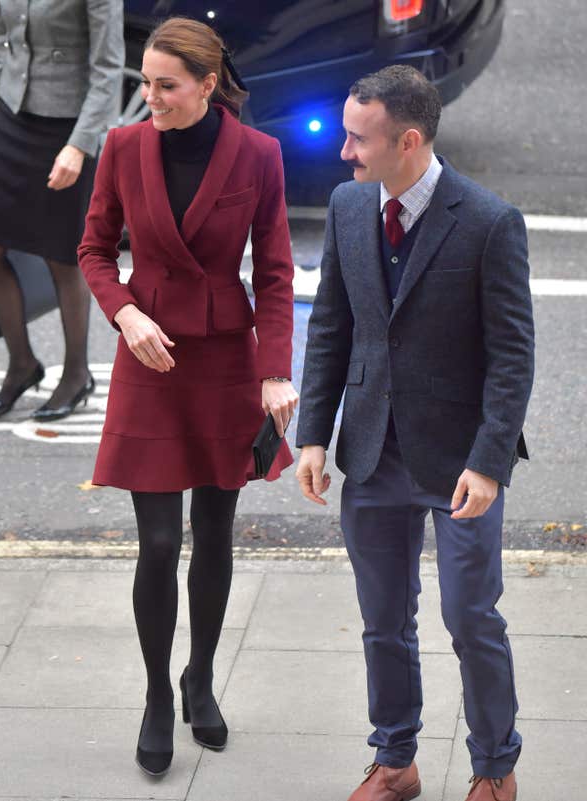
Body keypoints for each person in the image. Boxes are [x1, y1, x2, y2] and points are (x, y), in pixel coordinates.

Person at [295, 65, 534, 801]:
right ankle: (396, 759)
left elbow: (512, 356)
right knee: (382, 621)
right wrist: (312, 434)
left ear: (407, 140)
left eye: (356, 139)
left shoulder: (490, 221)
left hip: (460, 461)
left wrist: (490, 463)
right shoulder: (346, 206)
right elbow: (333, 323)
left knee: (470, 615)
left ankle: (495, 767)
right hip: (371, 449)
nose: (344, 153)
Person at [78, 16, 298, 778]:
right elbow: (94, 248)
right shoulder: (123, 146)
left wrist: (275, 370)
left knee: (214, 532)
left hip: (224, 362)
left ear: (208, 85)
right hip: (150, 356)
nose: (151, 97)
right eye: (145, 81)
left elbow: (274, 270)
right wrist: (126, 309)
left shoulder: (259, 155)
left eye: (165, 85)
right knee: (159, 543)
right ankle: (153, 694)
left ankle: (198, 676)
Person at [0, 0, 124, 420]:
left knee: (62, 255)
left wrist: (80, 144)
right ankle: (22, 364)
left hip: (68, 125)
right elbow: (5, 43)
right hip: (11, 115)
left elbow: (108, 68)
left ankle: (75, 374)